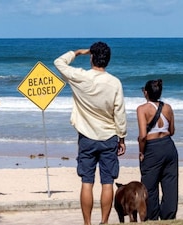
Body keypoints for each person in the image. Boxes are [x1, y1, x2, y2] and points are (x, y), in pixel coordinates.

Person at [54, 41, 127, 225]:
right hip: (109, 137)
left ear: (92, 57)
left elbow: (59, 62)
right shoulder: (114, 82)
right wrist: (122, 137)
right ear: (108, 60)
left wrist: (78, 52)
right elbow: (119, 112)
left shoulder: (80, 77)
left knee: (87, 182)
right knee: (107, 181)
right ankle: (104, 221)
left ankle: (87, 223)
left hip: (86, 137)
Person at [137, 79, 178, 220]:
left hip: (152, 148)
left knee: (149, 185)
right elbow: (172, 131)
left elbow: (143, 136)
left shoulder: (142, 109)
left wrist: (142, 152)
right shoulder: (168, 107)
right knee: (170, 184)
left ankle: (152, 217)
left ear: (146, 92)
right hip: (168, 146)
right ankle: (168, 216)